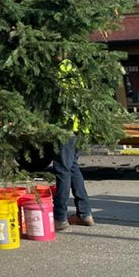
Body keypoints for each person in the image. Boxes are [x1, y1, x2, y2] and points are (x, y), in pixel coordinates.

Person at [53, 56, 95, 231]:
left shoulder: (59, 71)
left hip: (66, 127)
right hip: (78, 126)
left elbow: (59, 102)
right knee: (72, 167)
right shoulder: (72, 69)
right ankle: (84, 214)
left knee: (62, 169)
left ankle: (60, 217)